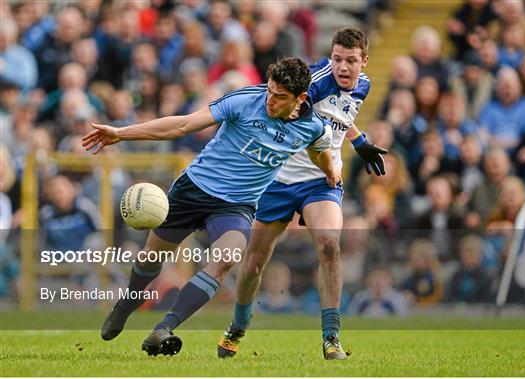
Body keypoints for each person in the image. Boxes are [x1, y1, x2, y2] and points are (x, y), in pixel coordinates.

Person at [81, 58, 340, 356]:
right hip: (193, 190)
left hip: (236, 207)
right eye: (270, 91)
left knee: (226, 257)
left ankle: (164, 328)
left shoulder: (312, 127)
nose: (270, 100)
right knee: (151, 258)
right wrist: (121, 133)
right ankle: (128, 301)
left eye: (280, 96)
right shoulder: (244, 100)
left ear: (301, 98)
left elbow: (319, 151)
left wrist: (330, 172)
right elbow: (183, 124)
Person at [217, 28, 387, 361]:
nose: (342, 67)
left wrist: (358, 140)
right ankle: (238, 326)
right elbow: (288, 115)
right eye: (337, 58)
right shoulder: (315, 82)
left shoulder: (364, 86)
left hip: (321, 183)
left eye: (351, 61)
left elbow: (337, 115)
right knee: (253, 263)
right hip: (280, 180)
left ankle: (331, 338)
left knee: (329, 244)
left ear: (364, 61)